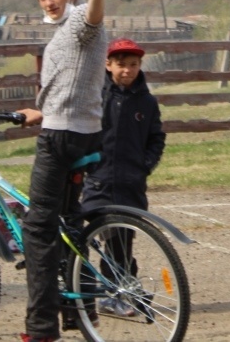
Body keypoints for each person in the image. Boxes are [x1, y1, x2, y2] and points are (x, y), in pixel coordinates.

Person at [16, 0, 116, 342]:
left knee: (37, 230)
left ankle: (41, 329)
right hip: (82, 131)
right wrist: (42, 109)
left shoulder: (79, 23)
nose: (48, 1)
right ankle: (81, 313)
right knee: (70, 224)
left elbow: (91, 19)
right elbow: (73, 83)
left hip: (61, 139)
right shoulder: (63, 33)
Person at [81, 38, 166, 318]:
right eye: (120, 65)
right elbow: (84, 132)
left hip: (131, 185)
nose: (127, 71)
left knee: (121, 240)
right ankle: (107, 290)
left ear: (140, 66)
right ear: (108, 65)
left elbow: (156, 137)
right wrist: (86, 164)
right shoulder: (97, 96)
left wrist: (144, 165)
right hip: (98, 182)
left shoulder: (147, 102)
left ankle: (121, 292)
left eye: (133, 65)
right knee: (96, 237)